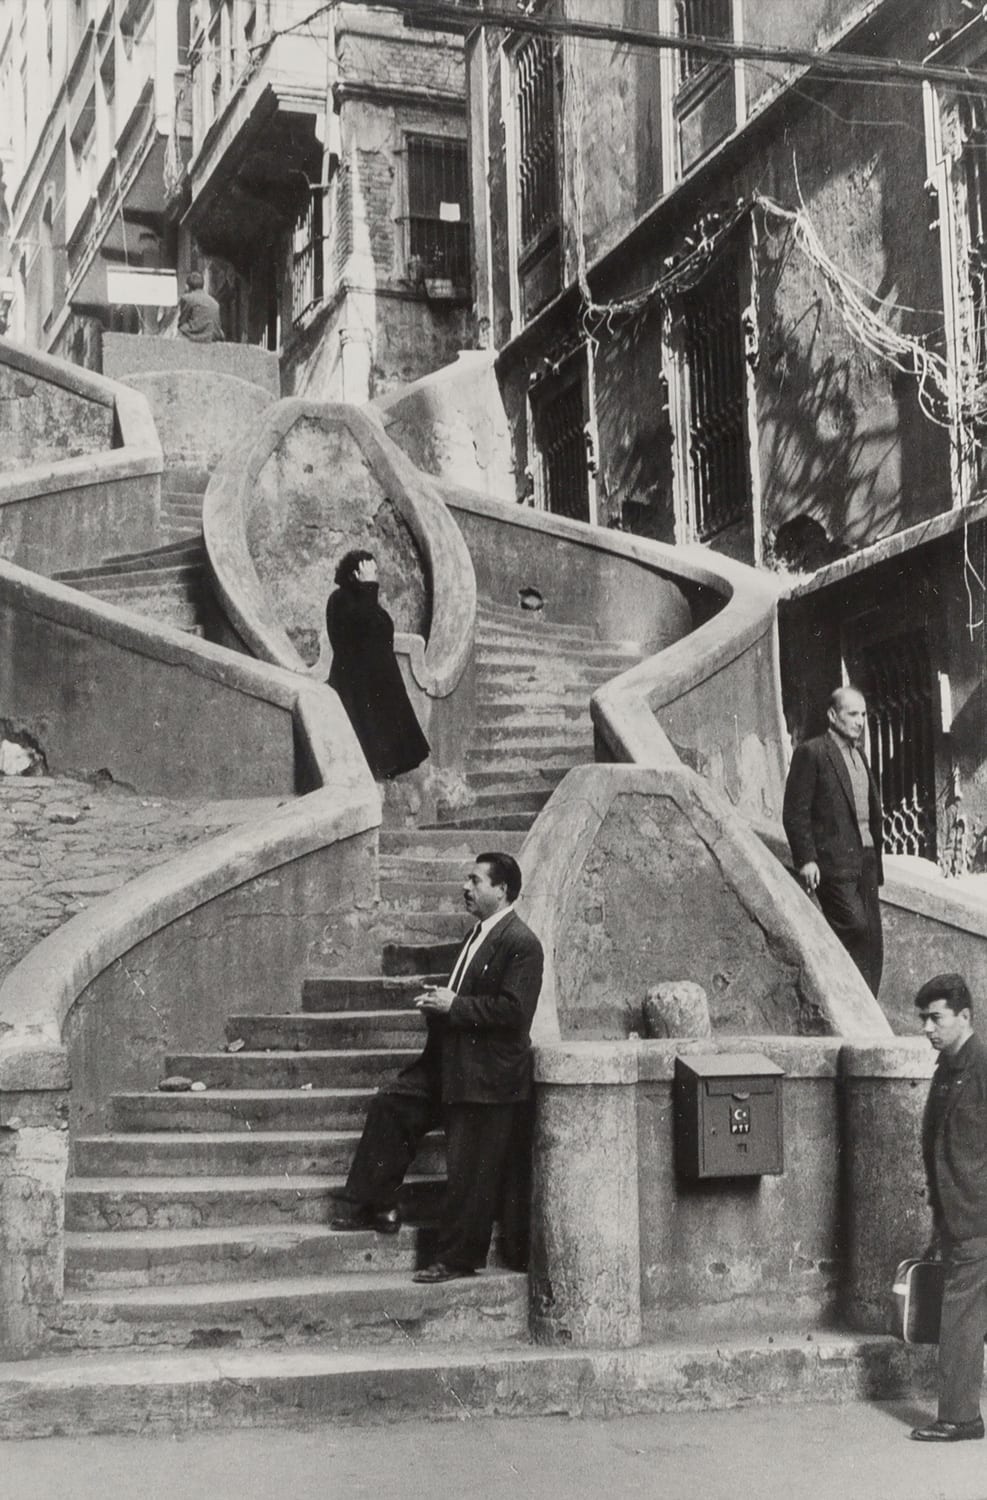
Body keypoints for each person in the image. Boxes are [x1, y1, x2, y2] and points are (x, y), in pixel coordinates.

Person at [330, 851, 544, 1283]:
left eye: (476, 881)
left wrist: (455, 1005)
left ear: (502, 891)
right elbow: (471, 998)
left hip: (488, 1078)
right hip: (450, 1062)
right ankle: (375, 1202)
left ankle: (458, 1258)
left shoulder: (522, 943)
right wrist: (439, 1004)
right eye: (468, 879)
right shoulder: (479, 934)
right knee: (392, 1105)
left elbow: (515, 1013)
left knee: (471, 1167)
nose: (466, 887)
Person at [911, 974, 987, 1442]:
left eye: (935, 1017)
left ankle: (960, 1418)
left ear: (964, 1017)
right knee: (967, 1311)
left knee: (960, 1313)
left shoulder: (982, 1066)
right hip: (957, 1215)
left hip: (978, 1216)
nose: (927, 1027)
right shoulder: (948, 1068)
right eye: (923, 1018)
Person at [782, 685, 884, 995]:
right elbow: (795, 811)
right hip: (833, 864)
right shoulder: (812, 752)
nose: (860, 721)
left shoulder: (859, 755)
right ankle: (839, 997)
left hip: (866, 860)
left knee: (874, 944)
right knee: (854, 927)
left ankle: (865, 1010)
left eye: (863, 714)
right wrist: (806, 859)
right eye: (852, 714)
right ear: (832, 715)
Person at [325, 549, 429, 780]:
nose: (375, 575)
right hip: (358, 688)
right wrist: (369, 587)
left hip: (379, 686)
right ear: (356, 573)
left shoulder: (365, 599)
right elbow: (360, 628)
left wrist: (368, 590)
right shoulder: (340, 599)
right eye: (370, 570)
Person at [177, 271, 225, 343]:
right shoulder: (214, 302)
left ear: (187, 286)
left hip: (195, 336)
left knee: (180, 330)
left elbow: (182, 321)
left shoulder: (187, 298)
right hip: (212, 336)